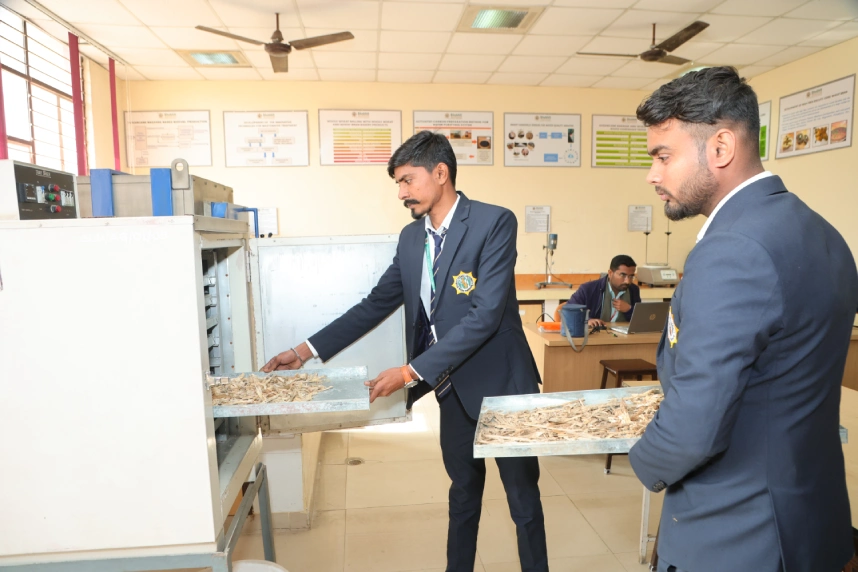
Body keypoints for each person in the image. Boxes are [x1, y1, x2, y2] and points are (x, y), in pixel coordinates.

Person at [262, 131, 548, 572]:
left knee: (523, 501)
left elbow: (485, 316)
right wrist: (304, 350)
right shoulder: (412, 239)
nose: (401, 193)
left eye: (408, 180)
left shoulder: (493, 223)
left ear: (441, 173)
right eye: (398, 183)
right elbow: (376, 304)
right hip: (454, 388)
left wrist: (411, 372)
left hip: (504, 386)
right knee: (463, 495)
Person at [628, 66, 858, 572]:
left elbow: (694, 427)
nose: (653, 175)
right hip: (812, 520)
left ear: (721, 147)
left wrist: (641, 458)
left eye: (663, 156)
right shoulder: (822, 233)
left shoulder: (732, 250)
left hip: (737, 533)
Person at [556, 255, 641, 327]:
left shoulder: (633, 290)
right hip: (595, 337)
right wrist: (587, 320)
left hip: (624, 339)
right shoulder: (588, 289)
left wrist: (629, 309)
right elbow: (568, 312)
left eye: (631, 276)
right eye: (623, 275)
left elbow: (640, 321)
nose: (627, 281)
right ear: (610, 273)